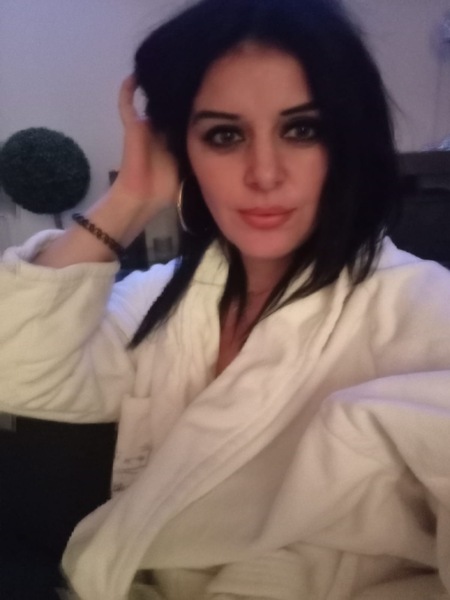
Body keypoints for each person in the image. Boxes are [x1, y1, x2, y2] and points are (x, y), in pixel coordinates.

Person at [1, 0, 450, 598]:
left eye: (302, 129)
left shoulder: (426, 311)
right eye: (224, 135)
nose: (264, 173)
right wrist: (131, 198)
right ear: (183, 150)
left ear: (347, 142)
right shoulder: (160, 298)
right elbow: (16, 368)